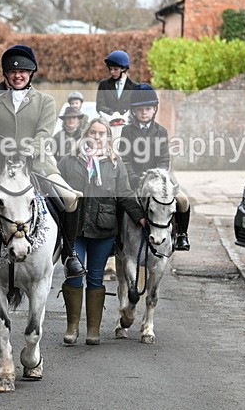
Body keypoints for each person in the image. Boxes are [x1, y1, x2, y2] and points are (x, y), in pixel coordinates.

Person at [0, 45, 83, 278]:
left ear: (31, 74)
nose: (18, 75)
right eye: (13, 72)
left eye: (23, 71)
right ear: (6, 75)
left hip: (38, 163)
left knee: (70, 198)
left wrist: (26, 151)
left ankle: (70, 253)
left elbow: (44, 134)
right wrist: (4, 149)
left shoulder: (45, 101)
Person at [58, 117, 146, 345]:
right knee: (74, 273)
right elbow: (56, 189)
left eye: (101, 133)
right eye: (93, 132)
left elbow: (124, 194)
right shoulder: (69, 161)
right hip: (74, 228)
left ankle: (93, 330)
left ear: (108, 137)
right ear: (86, 134)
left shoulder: (115, 164)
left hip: (103, 229)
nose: (96, 137)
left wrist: (140, 217)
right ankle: (72, 327)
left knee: (96, 277)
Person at [120, 83, 191, 251]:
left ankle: (182, 235)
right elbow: (125, 159)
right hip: (134, 179)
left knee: (183, 200)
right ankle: (115, 239)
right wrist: (134, 178)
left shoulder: (161, 131)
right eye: (139, 109)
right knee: (117, 201)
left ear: (154, 109)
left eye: (148, 108)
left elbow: (164, 158)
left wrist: (159, 178)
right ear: (133, 111)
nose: (144, 112)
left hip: (159, 179)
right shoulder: (127, 131)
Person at [96, 50, 138, 117]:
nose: (112, 72)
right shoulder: (103, 84)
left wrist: (124, 115)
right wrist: (112, 113)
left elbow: (136, 107)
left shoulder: (135, 87)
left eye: (115, 69)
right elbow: (100, 106)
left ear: (124, 69)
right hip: (108, 119)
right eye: (110, 69)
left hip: (127, 120)